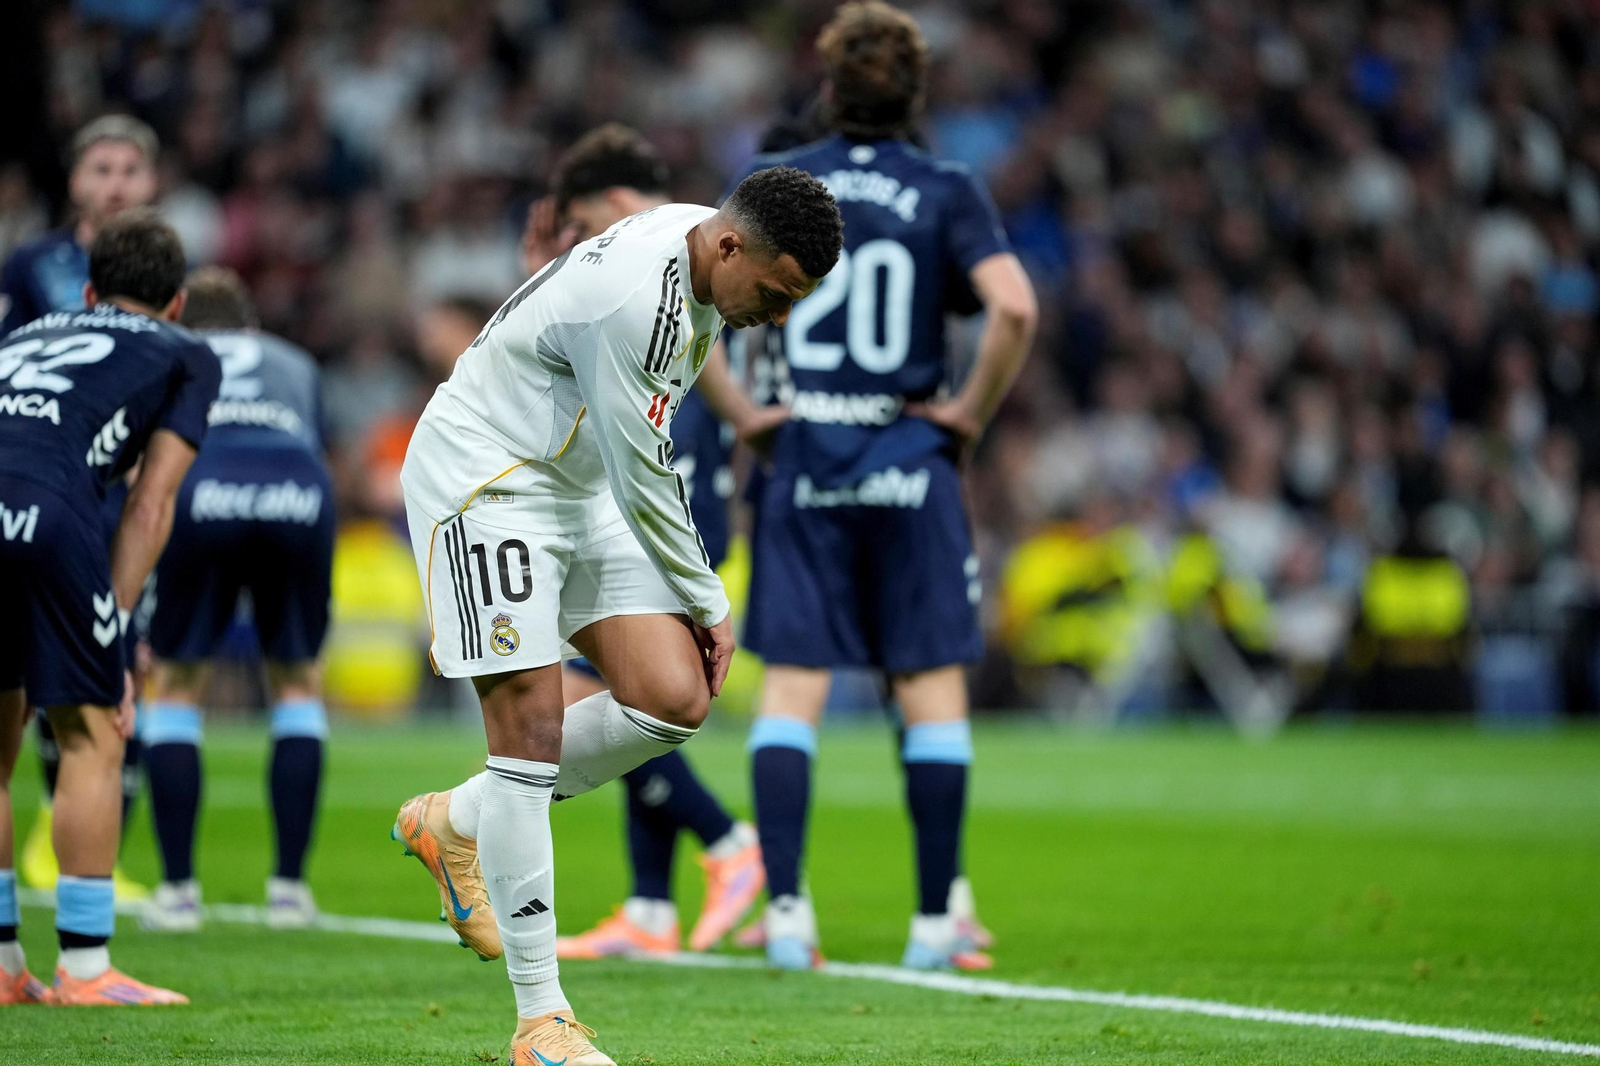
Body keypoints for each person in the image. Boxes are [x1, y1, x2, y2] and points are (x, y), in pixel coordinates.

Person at [392, 167, 840, 1065]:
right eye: (778, 292)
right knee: (529, 725)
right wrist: (709, 601)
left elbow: (636, 456)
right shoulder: (635, 296)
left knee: (671, 697)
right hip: (490, 479)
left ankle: (454, 820)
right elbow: (645, 475)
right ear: (728, 247)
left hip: (577, 480)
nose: (778, 315)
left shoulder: (697, 248)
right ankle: (540, 1021)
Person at [730, 2, 1037, 972]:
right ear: (916, 93)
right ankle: (935, 923)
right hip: (910, 463)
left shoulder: (782, 185)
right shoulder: (946, 187)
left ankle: (784, 916)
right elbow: (1014, 309)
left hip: (806, 460)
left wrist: (745, 418)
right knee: (930, 688)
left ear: (827, 85)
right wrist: (968, 415)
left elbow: (691, 297)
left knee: (792, 691)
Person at [518, 124, 766, 961]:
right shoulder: (672, 258)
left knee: (621, 689)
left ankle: (729, 841)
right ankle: (652, 907)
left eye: (581, 220)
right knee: (634, 698)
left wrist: (736, 420)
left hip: (658, 493)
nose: (578, 237)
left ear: (612, 203)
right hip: (659, 479)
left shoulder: (663, 262)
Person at [0, 209, 220, 1004]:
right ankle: (85, 969)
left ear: (91, 293)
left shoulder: (23, 332)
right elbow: (150, 505)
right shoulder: (185, 352)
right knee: (92, 730)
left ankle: (2, 966)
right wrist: (116, 636)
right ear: (179, 303)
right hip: (51, 513)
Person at [138, 267, 335, 933]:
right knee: (299, 685)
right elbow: (317, 440)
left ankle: (178, 893)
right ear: (249, 324)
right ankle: (288, 891)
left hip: (207, 485)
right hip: (299, 491)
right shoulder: (295, 360)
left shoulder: (172, 351)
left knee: (174, 686)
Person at [2, 115, 161, 901]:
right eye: (101, 169)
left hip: (120, 496)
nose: (116, 184)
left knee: (126, 661)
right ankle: (50, 838)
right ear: (75, 181)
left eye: (130, 169)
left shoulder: (161, 269)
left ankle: (98, 851)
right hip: (45, 484)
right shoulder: (31, 265)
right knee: (34, 672)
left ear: (153, 183)